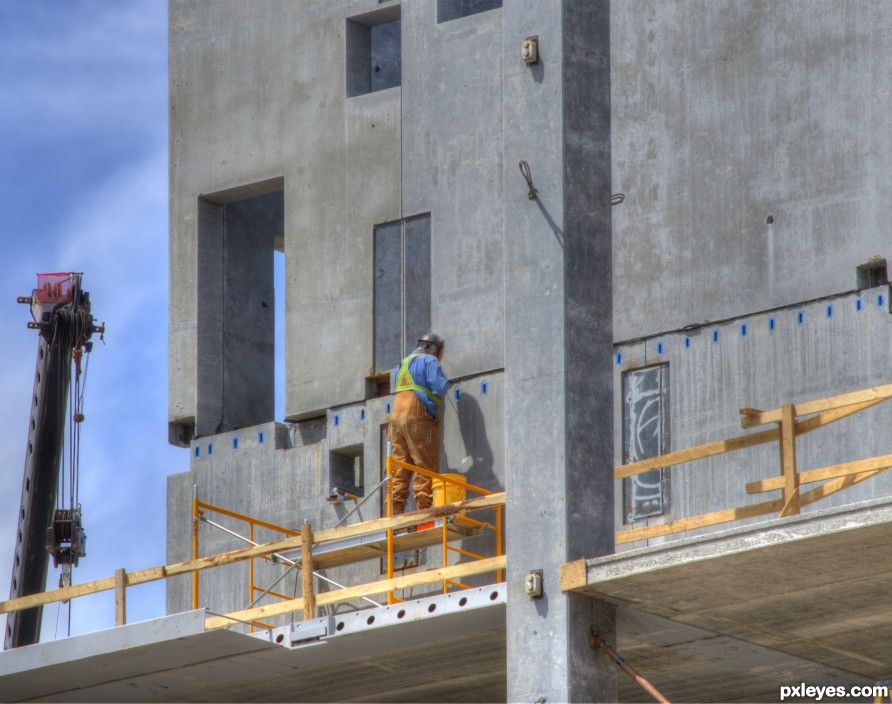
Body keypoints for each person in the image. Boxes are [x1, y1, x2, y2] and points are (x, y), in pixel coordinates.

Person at [388, 333, 450, 514]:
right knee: (424, 459)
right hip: (416, 412)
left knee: (400, 463)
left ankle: (395, 509)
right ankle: (423, 508)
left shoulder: (401, 364)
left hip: (396, 414)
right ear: (435, 350)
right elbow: (440, 387)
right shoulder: (430, 361)